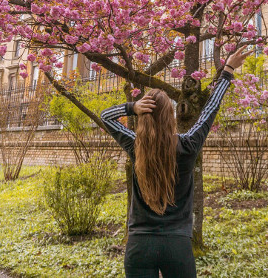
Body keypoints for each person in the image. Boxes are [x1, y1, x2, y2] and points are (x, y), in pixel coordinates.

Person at [101, 47, 251, 278]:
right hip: (177, 244)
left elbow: (105, 117)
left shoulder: (136, 146)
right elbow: (210, 109)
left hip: (139, 245)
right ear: (169, 117)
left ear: (144, 117)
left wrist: (132, 107)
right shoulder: (188, 145)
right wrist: (228, 70)